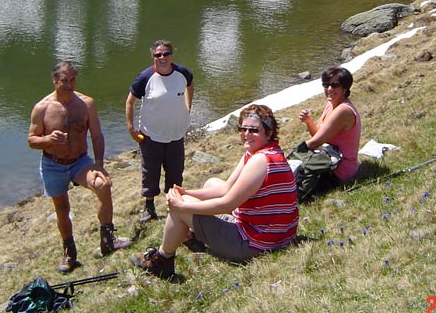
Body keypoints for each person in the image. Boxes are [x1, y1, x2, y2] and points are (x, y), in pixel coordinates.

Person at [129, 104, 299, 279]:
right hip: (276, 235)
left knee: (180, 209)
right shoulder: (263, 152)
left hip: (256, 244)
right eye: (243, 129)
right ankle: (194, 235)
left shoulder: (260, 160)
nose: (246, 134)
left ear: (269, 132)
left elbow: (227, 205)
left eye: (253, 130)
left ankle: (162, 261)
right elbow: (225, 189)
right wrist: (187, 193)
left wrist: (181, 206)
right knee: (211, 183)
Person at [29, 61, 130, 273]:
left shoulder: (86, 104)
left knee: (103, 185)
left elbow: (97, 135)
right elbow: (32, 140)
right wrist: (48, 139)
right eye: (64, 81)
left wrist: (99, 163)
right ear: (54, 80)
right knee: (62, 209)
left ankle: (107, 239)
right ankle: (69, 253)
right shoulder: (42, 108)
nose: (69, 85)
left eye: (73, 80)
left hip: (80, 161)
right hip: (53, 164)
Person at [126, 40, 194, 224]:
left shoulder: (182, 73)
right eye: (158, 55)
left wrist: (188, 107)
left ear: (172, 55)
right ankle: (149, 207)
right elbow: (130, 102)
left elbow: (190, 84)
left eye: (166, 54)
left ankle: (174, 207)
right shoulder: (145, 77)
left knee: (176, 173)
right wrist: (131, 128)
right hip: (151, 136)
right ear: (153, 57)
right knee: (150, 173)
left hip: (176, 135)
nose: (162, 58)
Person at [298, 66, 361, 197]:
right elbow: (318, 135)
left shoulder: (343, 111)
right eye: (326, 85)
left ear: (345, 88)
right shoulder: (331, 104)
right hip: (327, 159)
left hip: (339, 169)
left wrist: (287, 159)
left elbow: (315, 142)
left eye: (334, 85)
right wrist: (309, 122)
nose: (329, 89)